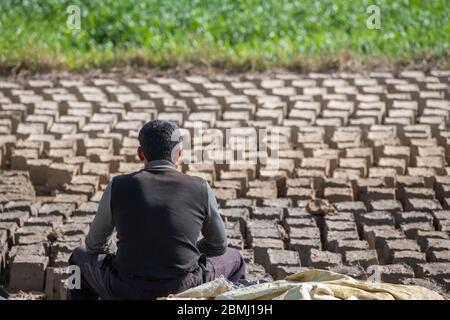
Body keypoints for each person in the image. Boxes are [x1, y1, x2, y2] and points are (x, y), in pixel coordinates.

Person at [67, 120, 245, 300]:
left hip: (126, 287)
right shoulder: (200, 187)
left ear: (140, 154)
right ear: (179, 154)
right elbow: (219, 245)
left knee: (77, 259)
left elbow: (94, 243)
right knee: (235, 259)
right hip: (184, 287)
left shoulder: (118, 185)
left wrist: (116, 252)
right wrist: (194, 252)